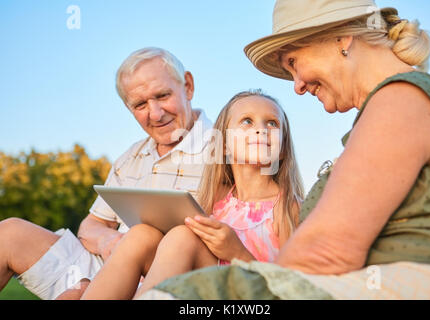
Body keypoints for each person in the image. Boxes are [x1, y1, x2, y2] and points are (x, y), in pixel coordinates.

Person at [138, 0, 430, 300]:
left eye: (293, 63)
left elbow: (326, 253)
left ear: (341, 36)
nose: (297, 85)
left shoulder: (400, 101)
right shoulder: (398, 102)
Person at [0, 47, 213, 300]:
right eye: (140, 104)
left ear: (187, 86)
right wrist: (109, 242)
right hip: (107, 267)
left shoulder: (225, 150)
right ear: (128, 107)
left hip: (174, 279)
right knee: (9, 233)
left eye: (163, 95)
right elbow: (91, 226)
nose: (155, 113)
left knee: (142, 239)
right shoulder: (130, 158)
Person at [81, 89, 305, 299]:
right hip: (205, 285)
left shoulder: (288, 208)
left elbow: (292, 291)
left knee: (183, 237)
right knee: (141, 235)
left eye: (272, 123)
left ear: (283, 147)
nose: (261, 129)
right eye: (247, 121)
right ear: (223, 144)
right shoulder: (217, 198)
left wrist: (236, 253)